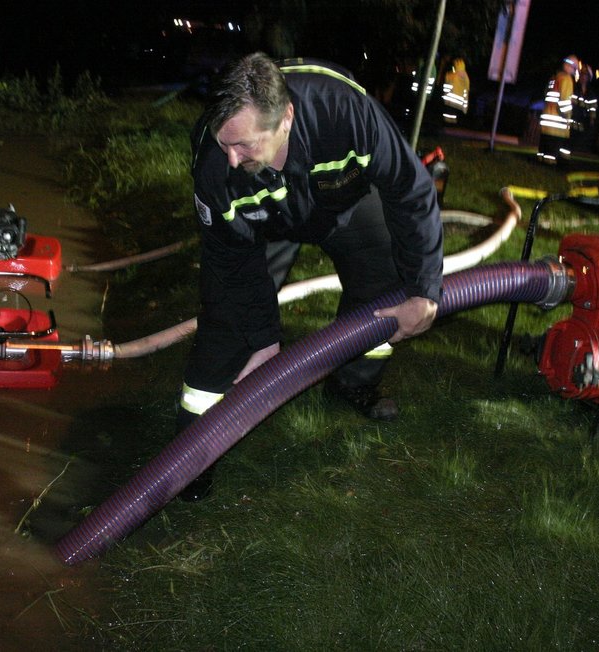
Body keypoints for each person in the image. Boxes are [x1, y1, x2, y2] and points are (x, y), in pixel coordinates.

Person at [179, 52, 444, 499]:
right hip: (263, 220)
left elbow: (409, 190)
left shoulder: (345, 113)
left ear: (286, 118)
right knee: (228, 326)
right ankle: (192, 454)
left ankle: (354, 382)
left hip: (344, 206)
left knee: (382, 284)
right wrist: (264, 338)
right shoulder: (216, 167)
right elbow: (231, 265)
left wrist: (425, 290)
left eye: (243, 144)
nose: (230, 157)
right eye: (224, 142)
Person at [537, 55, 579, 165]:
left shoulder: (554, 78)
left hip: (546, 121)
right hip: (557, 124)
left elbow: (546, 95)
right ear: (573, 68)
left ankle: (539, 166)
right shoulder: (567, 79)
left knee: (543, 150)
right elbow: (564, 100)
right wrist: (567, 117)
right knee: (551, 154)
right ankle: (548, 171)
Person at [441, 57, 470, 126]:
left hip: (450, 100)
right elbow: (466, 89)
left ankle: (446, 126)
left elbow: (446, 82)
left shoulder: (452, 75)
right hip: (459, 102)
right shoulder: (466, 76)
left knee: (448, 116)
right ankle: (452, 126)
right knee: (453, 116)